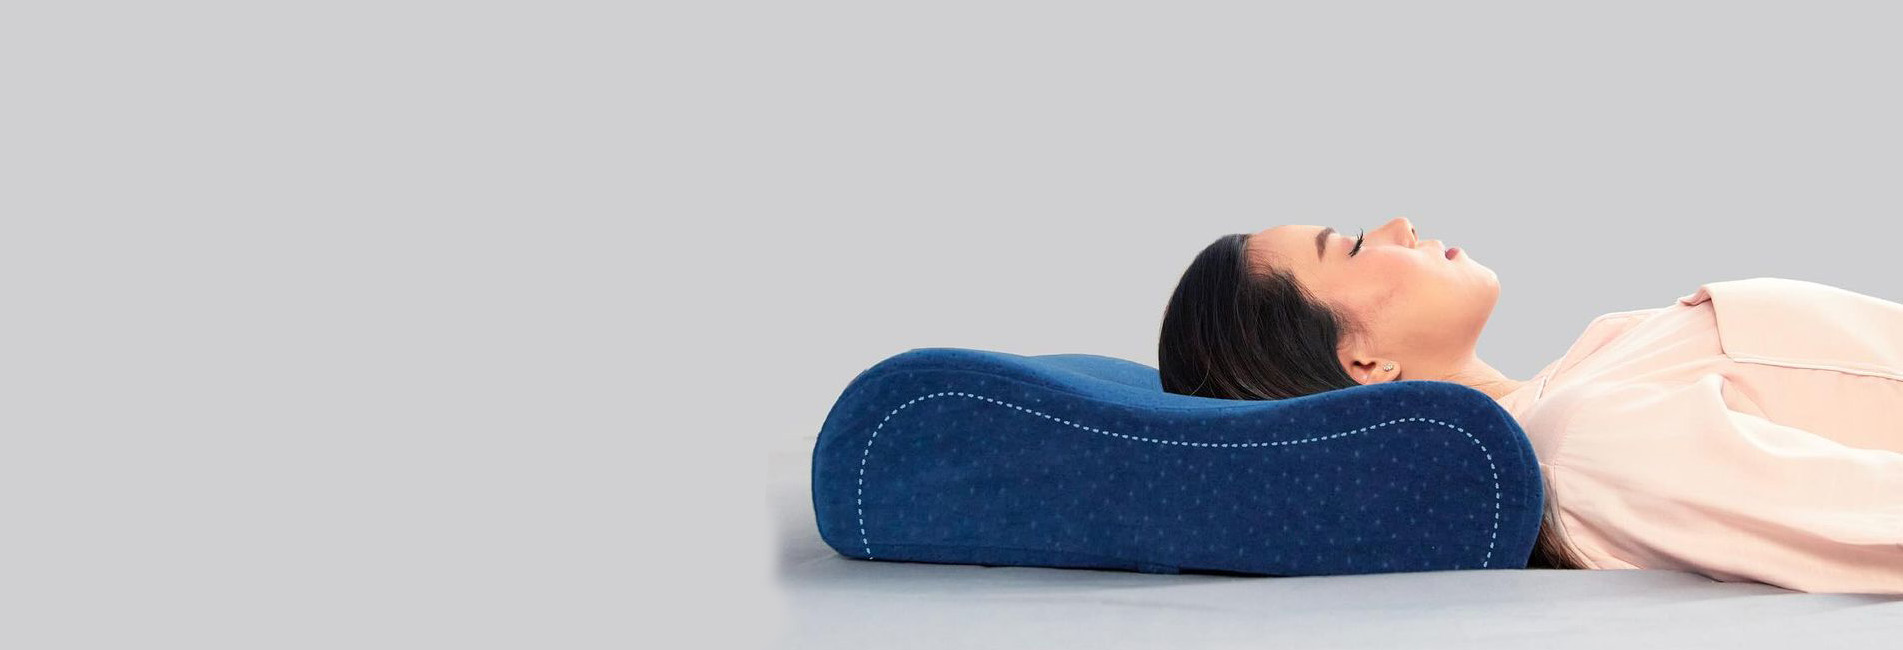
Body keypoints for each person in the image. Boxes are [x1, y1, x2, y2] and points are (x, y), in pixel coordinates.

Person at [1156, 217, 1903, 594]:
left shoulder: (1581, 383)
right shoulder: (1587, 447)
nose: (1398, 224)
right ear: (1362, 362)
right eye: (1350, 245)